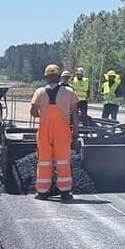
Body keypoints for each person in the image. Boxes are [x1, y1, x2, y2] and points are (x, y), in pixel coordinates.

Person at [30, 63, 80, 202]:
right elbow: (76, 113)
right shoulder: (69, 92)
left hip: (44, 130)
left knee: (44, 161)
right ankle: (64, 192)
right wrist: (75, 131)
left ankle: (42, 191)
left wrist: (42, 114)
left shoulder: (39, 92)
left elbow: (33, 111)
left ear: (46, 78)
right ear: (59, 77)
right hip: (62, 131)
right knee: (63, 161)